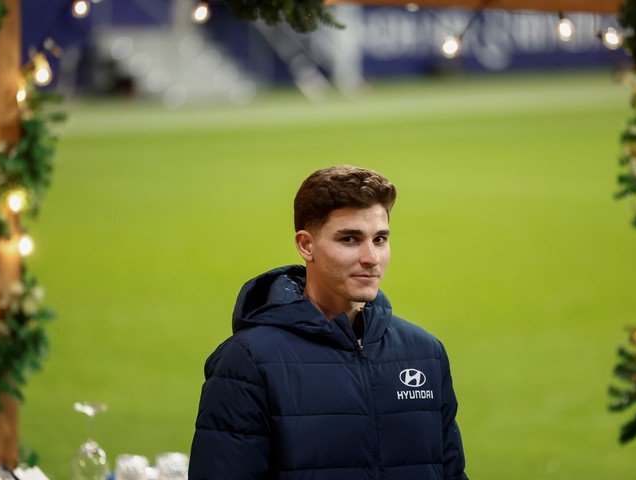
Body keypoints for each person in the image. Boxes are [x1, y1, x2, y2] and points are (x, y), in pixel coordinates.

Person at [189, 166, 468, 480]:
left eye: (380, 239)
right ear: (306, 245)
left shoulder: (424, 353)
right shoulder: (249, 362)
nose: (371, 257)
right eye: (349, 239)